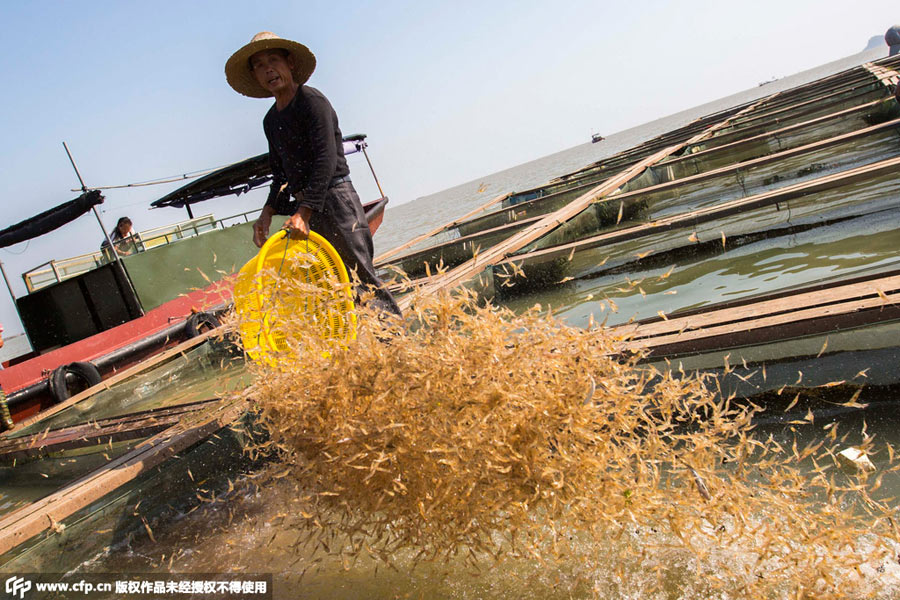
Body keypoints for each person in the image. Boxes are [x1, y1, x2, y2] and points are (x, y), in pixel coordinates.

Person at [225, 32, 401, 317]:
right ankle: (367, 354)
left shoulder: (311, 101)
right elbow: (280, 173)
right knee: (334, 287)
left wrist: (304, 213)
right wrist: (268, 212)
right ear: (256, 76)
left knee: (362, 281)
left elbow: (326, 160)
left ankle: (398, 349)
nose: (268, 69)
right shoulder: (271, 120)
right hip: (308, 207)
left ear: (290, 63)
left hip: (336, 200)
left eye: (273, 60)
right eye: (259, 65)